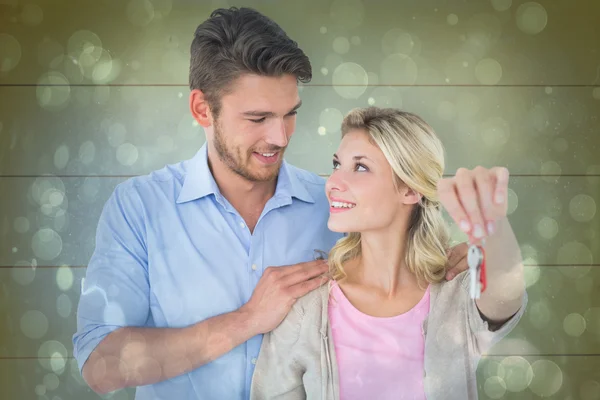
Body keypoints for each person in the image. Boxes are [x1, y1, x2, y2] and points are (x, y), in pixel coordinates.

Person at [73, 8, 469, 400]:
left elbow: (407, 294)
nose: (280, 137)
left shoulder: (339, 207)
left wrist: (462, 262)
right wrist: (245, 321)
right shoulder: (140, 208)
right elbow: (100, 365)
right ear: (201, 110)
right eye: (258, 118)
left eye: (290, 114)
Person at [250, 107, 528, 400]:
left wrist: (493, 227)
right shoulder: (307, 305)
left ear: (409, 190)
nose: (333, 183)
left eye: (360, 167)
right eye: (336, 165)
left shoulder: (454, 291)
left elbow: (504, 298)